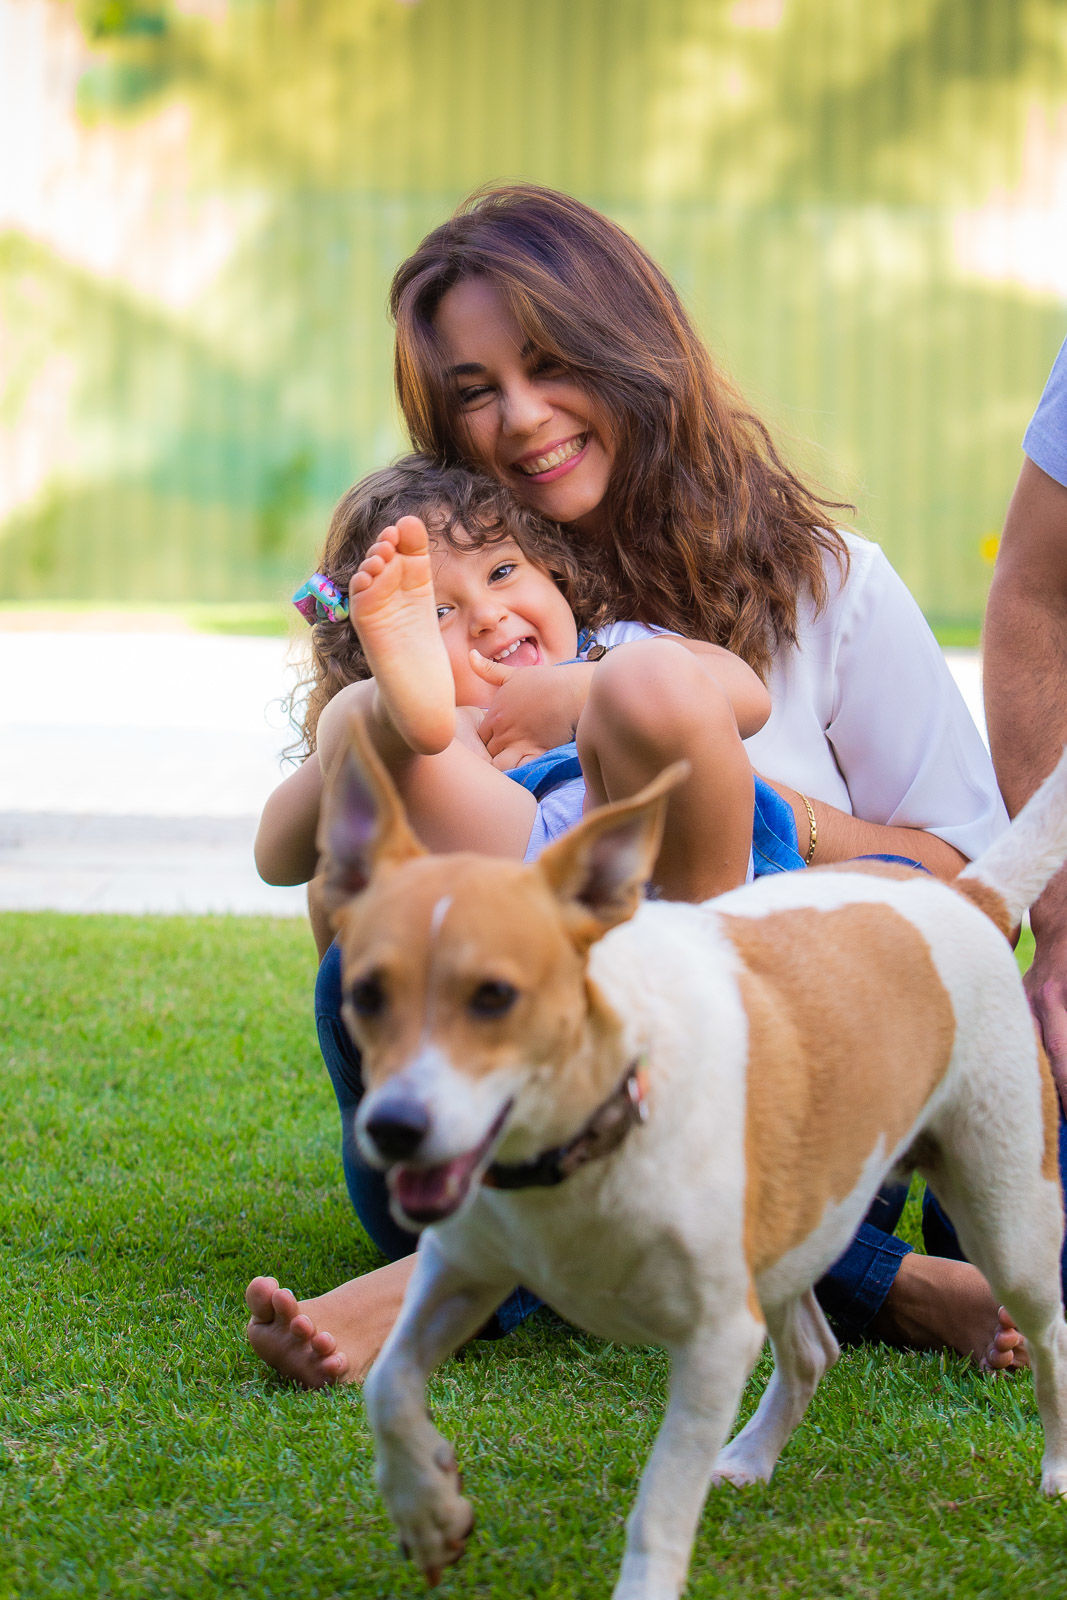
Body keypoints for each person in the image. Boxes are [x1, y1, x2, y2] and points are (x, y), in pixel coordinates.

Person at [246, 184, 1017, 1389]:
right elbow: (315, 878)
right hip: (528, 1068)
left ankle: (469, 1266)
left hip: (781, 1035)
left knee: (648, 707)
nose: (520, 416)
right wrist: (386, 713)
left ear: (632, 348)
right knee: (376, 924)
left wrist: (757, 808)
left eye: (550, 362)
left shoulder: (823, 590)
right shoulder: (459, 614)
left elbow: (969, 887)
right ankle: (865, 1279)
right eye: (473, 391)